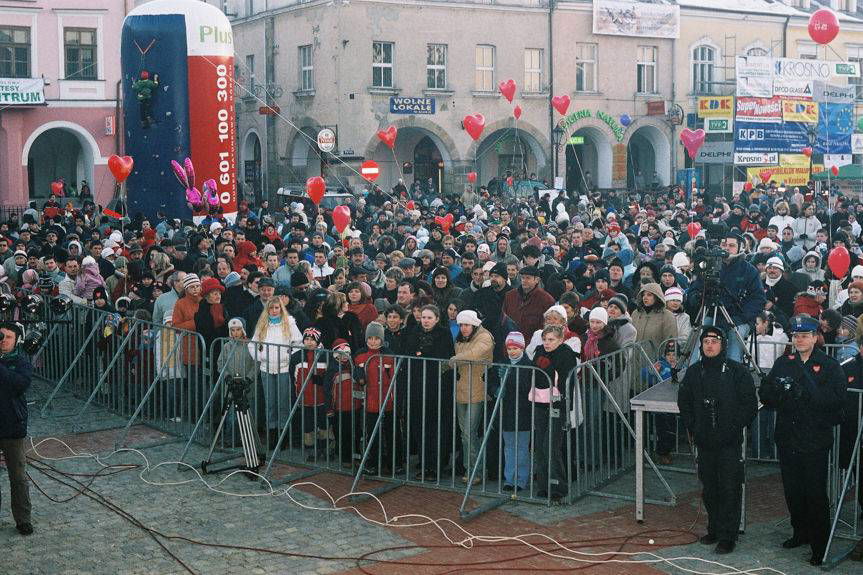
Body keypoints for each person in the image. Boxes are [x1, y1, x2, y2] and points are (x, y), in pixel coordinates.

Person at [760, 314, 846, 566]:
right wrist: (776, 393)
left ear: (815, 337)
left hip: (814, 438)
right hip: (788, 436)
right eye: (796, 336)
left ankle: (820, 544)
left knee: (815, 493)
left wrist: (807, 393)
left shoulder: (829, 365)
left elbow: (836, 399)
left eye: (805, 335)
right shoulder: (783, 362)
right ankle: (800, 532)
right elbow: (766, 393)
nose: (799, 340)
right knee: (792, 491)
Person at [677, 326, 757, 555]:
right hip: (705, 440)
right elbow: (685, 402)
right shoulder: (694, 372)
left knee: (729, 488)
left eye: (714, 340)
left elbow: (749, 404)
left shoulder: (737, 371)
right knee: (710, 488)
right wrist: (694, 427)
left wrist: (733, 428)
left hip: (729, 441)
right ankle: (714, 528)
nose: (709, 345)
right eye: (706, 341)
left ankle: (728, 535)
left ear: (723, 344)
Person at [685, 233, 765, 363]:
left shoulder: (749, 270)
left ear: (740, 248)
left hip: (739, 318)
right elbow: (695, 288)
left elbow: (758, 299)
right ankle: (694, 370)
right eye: (724, 245)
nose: (727, 248)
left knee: (735, 335)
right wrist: (696, 298)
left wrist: (741, 318)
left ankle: (733, 371)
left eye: (732, 245)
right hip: (712, 314)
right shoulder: (709, 266)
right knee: (700, 332)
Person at [531, 324, 578, 501]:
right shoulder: (539, 351)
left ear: (560, 339)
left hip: (557, 404)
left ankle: (558, 486)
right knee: (541, 447)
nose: (547, 343)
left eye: (551, 340)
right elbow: (534, 374)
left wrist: (564, 405)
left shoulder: (566, 354)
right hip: (540, 402)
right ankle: (543, 485)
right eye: (544, 339)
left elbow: (566, 380)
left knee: (552, 446)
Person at [449, 309, 494, 484]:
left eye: (466, 325)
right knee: (465, 434)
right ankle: (471, 469)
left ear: (474, 324)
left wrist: (453, 359)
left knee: (469, 432)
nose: (463, 328)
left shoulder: (484, 336)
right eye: (460, 325)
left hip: (478, 389)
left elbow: (476, 354)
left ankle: (477, 471)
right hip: (461, 389)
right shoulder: (461, 338)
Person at [0, 322, 34, 535]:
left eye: (8, 337)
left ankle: (23, 519)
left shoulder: (21, 362)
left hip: (13, 426)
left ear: (16, 341)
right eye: (1, 336)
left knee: (18, 477)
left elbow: (19, 384)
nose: (3, 341)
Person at [499, 331, 533, 492]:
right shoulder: (504, 363)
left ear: (522, 348)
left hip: (523, 411)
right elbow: (491, 378)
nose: (512, 351)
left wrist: (509, 378)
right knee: (509, 446)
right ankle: (509, 478)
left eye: (515, 348)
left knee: (521, 447)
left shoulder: (528, 365)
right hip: (507, 410)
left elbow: (526, 386)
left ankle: (521, 479)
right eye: (509, 348)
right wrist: (496, 388)